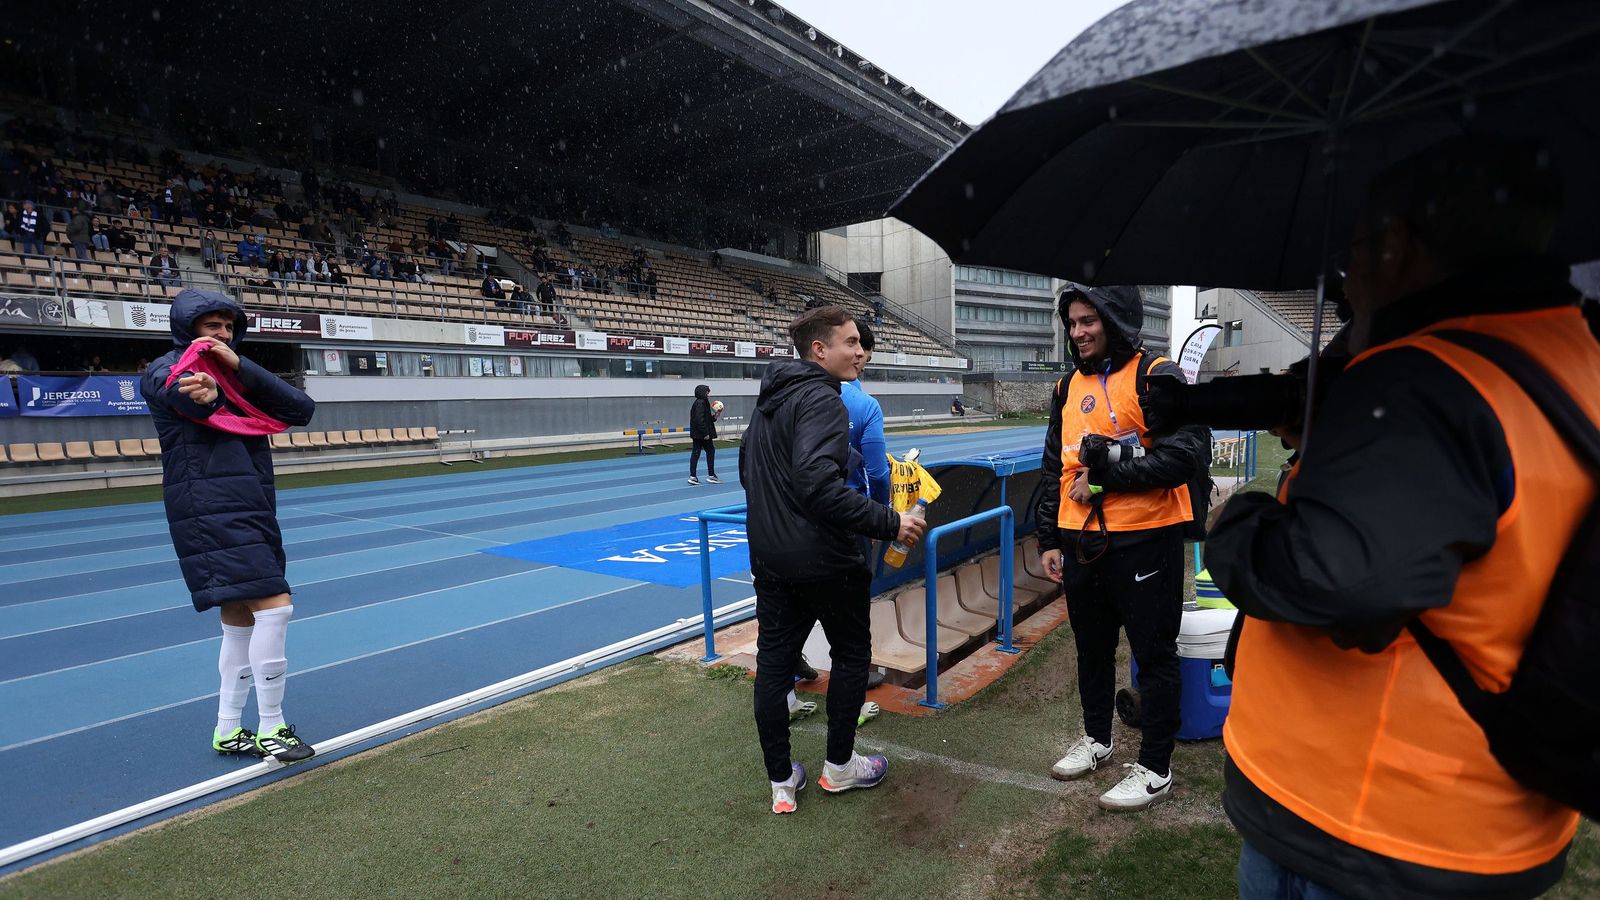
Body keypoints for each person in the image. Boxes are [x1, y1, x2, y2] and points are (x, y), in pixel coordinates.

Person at [1206, 138, 1598, 898]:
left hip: (1365, 824)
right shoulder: (1569, 352)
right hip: (1486, 813)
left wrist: (1236, 521)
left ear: (1395, 245)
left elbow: (1341, 583)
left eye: (1353, 251)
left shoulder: (1423, 377)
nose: (1347, 280)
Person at [739, 305, 926, 815]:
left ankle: (781, 781)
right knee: (848, 657)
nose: (861, 351)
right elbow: (819, 487)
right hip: (826, 559)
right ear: (819, 350)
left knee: (774, 666)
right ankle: (839, 768)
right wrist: (892, 522)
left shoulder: (766, 405)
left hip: (772, 560)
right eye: (850, 342)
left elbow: (750, 478)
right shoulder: (825, 399)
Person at [1036, 284, 1205, 811]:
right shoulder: (1066, 385)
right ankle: (1097, 739)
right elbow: (1054, 466)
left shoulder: (1158, 375)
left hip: (1146, 542)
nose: (1077, 331)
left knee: (1154, 656)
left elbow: (1185, 458)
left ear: (1115, 319)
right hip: (1079, 539)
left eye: (1088, 320)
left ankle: (1155, 767)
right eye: (1072, 322)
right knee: (1091, 649)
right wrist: (1047, 537)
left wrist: (1108, 480)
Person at [140, 289, 317, 763]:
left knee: (238, 620)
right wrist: (206, 391)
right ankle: (274, 727)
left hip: (249, 500)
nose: (221, 334)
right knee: (275, 607)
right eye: (210, 325)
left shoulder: (237, 377)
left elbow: (300, 409)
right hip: (209, 505)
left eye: (227, 327)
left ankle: (227, 729)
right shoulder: (167, 368)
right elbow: (184, 395)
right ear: (187, 328)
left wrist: (236, 368)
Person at [687, 384, 720, 485]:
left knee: (696, 453)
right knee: (709, 452)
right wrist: (705, 433)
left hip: (698, 434)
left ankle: (693, 476)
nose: (708, 394)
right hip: (701, 434)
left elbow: (706, 419)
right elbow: (699, 420)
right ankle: (711, 475)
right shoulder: (701, 403)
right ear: (702, 393)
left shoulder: (702, 402)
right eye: (707, 392)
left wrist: (714, 417)